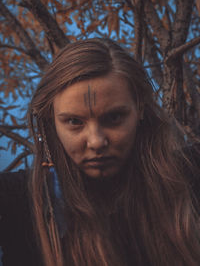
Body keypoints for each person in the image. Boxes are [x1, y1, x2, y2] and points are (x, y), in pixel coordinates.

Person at [0, 38, 200, 266]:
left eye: (114, 118)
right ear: (51, 120)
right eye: (74, 121)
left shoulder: (186, 177)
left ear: (140, 109)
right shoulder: (19, 202)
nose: (96, 142)